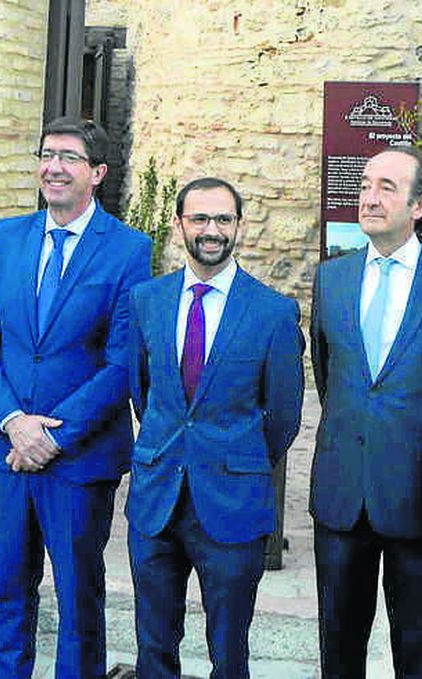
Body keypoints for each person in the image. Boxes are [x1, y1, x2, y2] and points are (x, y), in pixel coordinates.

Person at [0, 116, 152, 679]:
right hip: (9, 451)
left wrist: (52, 434)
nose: (54, 166)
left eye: (68, 156)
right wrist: (14, 422)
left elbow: (121, 362)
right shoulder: (8, 237)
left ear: (97, 173)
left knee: (77, 599)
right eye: (47, 154)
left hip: (80, 459)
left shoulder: (128, 250)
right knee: (10, 592)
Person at [308, 146, 422, 678]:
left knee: (421, 651)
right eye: (365, 185)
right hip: (342, 497)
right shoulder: (332, 279)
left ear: (420, 204)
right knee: (337, 651)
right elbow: (333, 379)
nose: (369, 197)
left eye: (387, 187)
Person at [124, 177, 304, 678]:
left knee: (228, 648)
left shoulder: (272, 312)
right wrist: (170, 446)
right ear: (180, 224)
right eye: (200, 218)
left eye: (223, 219)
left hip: (231, 503)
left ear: (240, 227)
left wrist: (232, 457)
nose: (211, 229)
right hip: (157, 497)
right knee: (153, 642)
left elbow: (283, 415)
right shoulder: (147, 300)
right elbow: (144, 390)